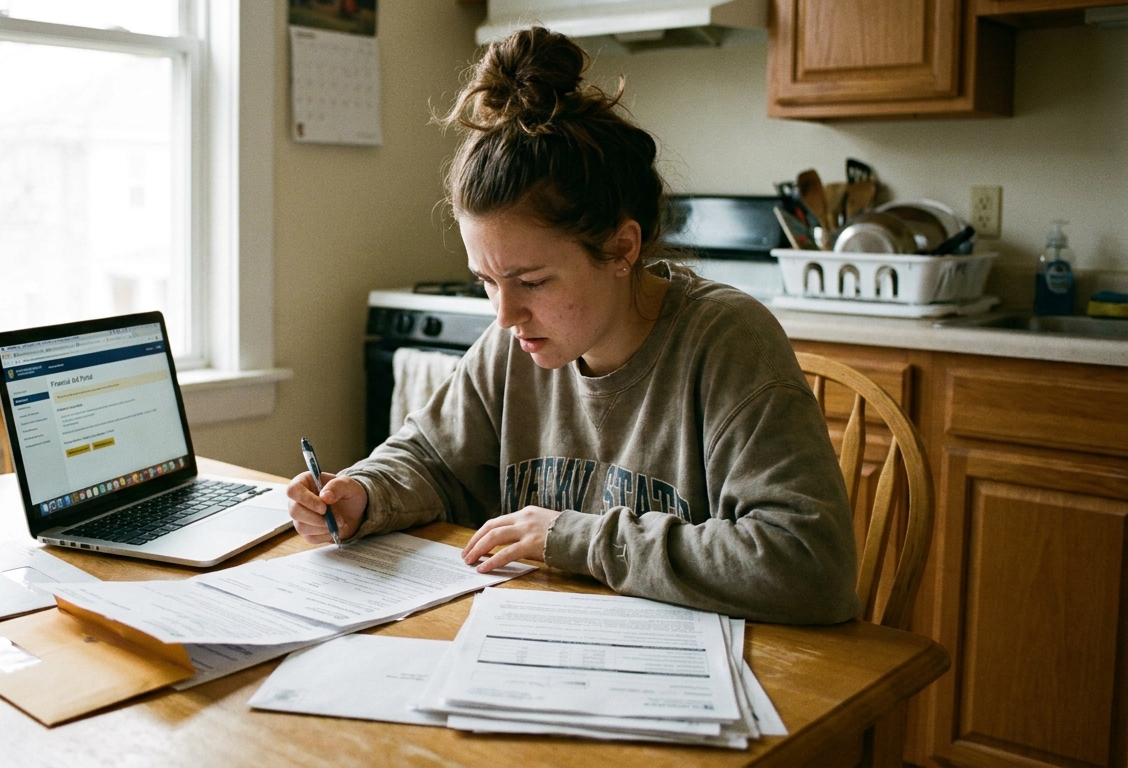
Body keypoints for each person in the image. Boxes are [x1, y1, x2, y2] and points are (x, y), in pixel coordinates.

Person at [287, 27, 860, 625]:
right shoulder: (512, 347)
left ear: (621, 249)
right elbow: (430, 457)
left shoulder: (728, 343)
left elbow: (808, 564)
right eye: (487, 281)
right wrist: (364, 493)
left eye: (531, 281)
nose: (504, 316)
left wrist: (574, 538)